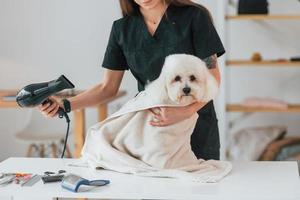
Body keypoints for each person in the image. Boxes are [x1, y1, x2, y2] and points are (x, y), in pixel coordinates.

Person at [39, 0, 225, 160]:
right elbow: (107, 88)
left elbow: (212, 76)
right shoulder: (122, 29)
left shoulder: (194, 17)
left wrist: (185, 112)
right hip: (151, 131)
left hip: (197, 124)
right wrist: (65, 105)